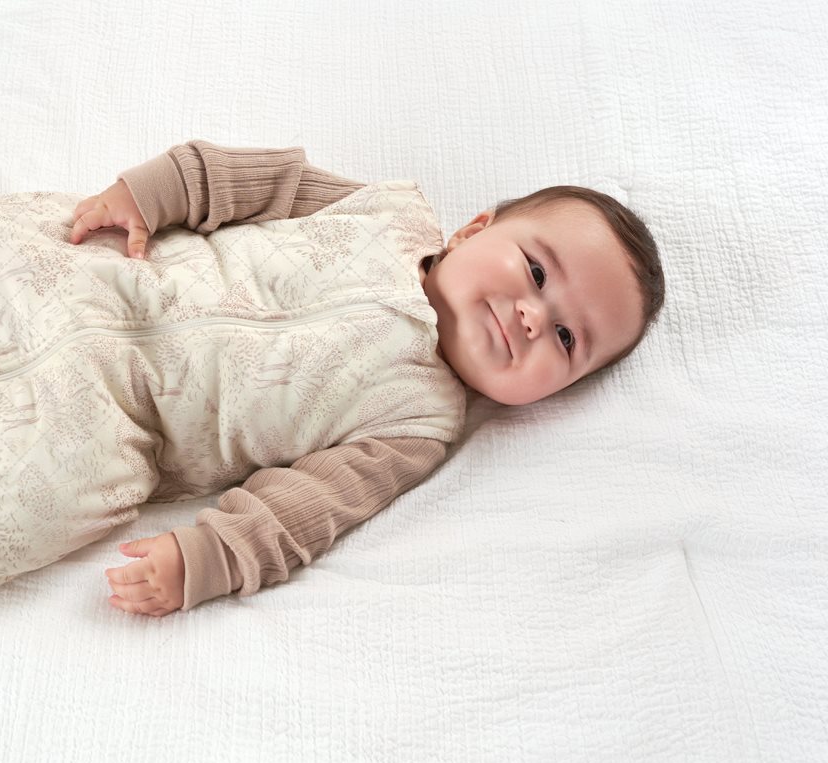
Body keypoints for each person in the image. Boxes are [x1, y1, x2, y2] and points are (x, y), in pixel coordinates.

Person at [75, 140, 665, 618]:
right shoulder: (386, 215)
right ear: (471, 230)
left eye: (567, 338)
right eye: (536, 270)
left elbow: (313, 503)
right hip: (111, 271)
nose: (535, 317)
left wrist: (211, 557)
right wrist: (158, 190)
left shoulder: (418, 424)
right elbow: (271, 181)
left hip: (114, 420)